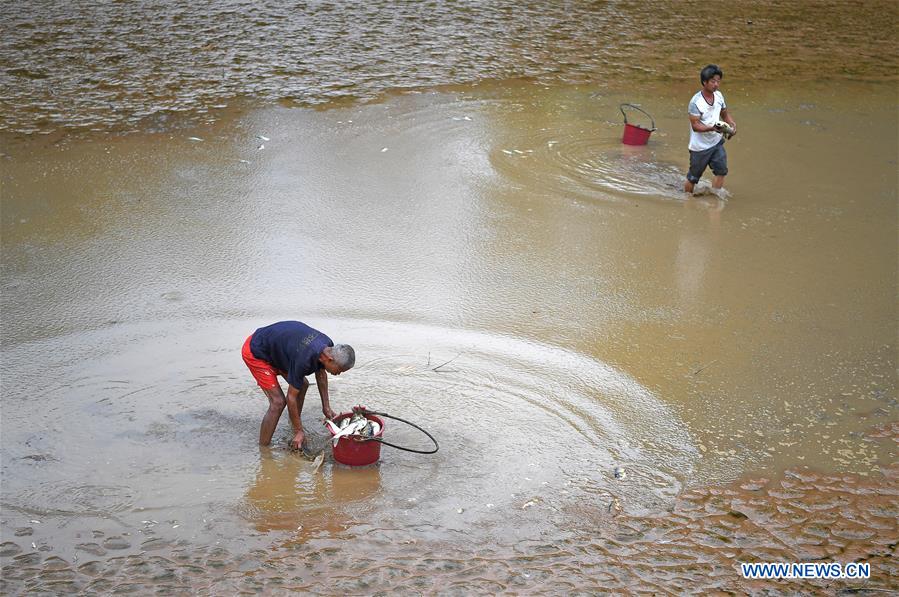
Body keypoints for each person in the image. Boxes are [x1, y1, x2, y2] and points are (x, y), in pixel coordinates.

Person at [241, 321, 355, 450]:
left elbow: (321, 374)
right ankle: (264, 450)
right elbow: (291, 397)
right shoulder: (304, 359)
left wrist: (326, 407)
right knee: (278, 402)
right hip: (256, 350)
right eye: (339, 370)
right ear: (330, 360)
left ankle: (294, 425)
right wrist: (299, 431)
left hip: (281, 350)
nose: (338, 373)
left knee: (303, 385)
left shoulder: (327, 345)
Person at [684, 64, 737, 194]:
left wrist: (731, 124)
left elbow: (724, 114)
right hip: (699, 147)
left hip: (716, 142)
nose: (716, 84)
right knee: (693, 178)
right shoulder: (695, 102)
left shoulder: (719, 96)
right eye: (713, 81)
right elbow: (695, 126)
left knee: (721, 171)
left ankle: (715, 197)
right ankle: (687, 199)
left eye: (718, 81)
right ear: (704, 82)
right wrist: (712, 128)